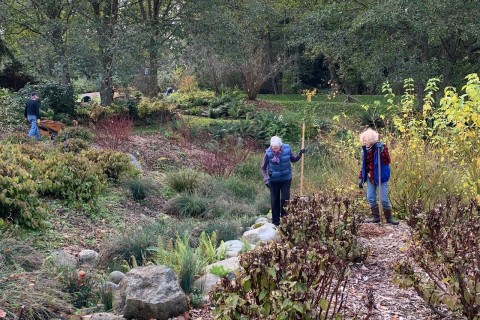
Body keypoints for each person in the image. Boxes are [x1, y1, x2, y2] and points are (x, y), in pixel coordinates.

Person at [261, 136, 305, 226]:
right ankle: (276, 222)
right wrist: (266, 179)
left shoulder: (287, 148)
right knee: (275, 200)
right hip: (273, 180)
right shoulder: (268, 153)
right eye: (274, 148)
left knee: (285, 199)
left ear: (281, 146)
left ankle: (285, 219)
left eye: (277, 148)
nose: (276, 150)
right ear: (271, 146)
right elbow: (263, 167)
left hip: (286, 179)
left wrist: (300, 154)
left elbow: (293, 159)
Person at [358, 128, 398, 225]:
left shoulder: (381, 147)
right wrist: (361, 178)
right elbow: (364, 165)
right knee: (370, 197)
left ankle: (389, 218)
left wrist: (382, 151)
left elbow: (387, 160)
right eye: (363, 140)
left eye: (365, 140)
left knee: (383, 199)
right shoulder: (365, 150)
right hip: (370, 177)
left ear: (371, 140)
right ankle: (376, 217)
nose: (363, 141)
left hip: (381, 177)